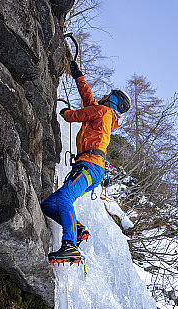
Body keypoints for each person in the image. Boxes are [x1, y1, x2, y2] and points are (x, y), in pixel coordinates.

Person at [40, 59, 130, 264]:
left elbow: (77, 115)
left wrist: (66, 113)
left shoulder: (103, 112)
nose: (104, 96)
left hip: (89, 165)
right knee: (48, 205)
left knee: (64, 200)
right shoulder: (104, 115)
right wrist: (78, 75)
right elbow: (88, 99)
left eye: (108, 96)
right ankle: (78, 230)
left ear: (112, 102)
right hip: (92, 169)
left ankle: (69, 245)